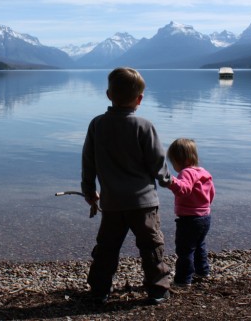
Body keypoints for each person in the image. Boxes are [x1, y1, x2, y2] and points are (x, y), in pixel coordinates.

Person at [81, 67, 172, 305]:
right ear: (140, 99)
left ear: (108, 94)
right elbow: (157, 163)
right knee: (151, 247)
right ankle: (158, 289)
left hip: (112, 203)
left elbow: (88, 161)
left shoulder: (97, 125)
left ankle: (99, 290)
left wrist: (88, 190)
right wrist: (167, 180)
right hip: (143, 203)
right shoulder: (144, 126)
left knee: (107, 248)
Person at [165, 138, 215, 286]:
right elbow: (211, 193)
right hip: (205, 217)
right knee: (199, 245)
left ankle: (183, 279)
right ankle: (203, 271)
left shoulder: (186, 173)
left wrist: (171, 181)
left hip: (189, 219)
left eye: (174, 162)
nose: (174, 166)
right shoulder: (204, 172)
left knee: (185, 250)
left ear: (184, 160)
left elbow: (183, 190)